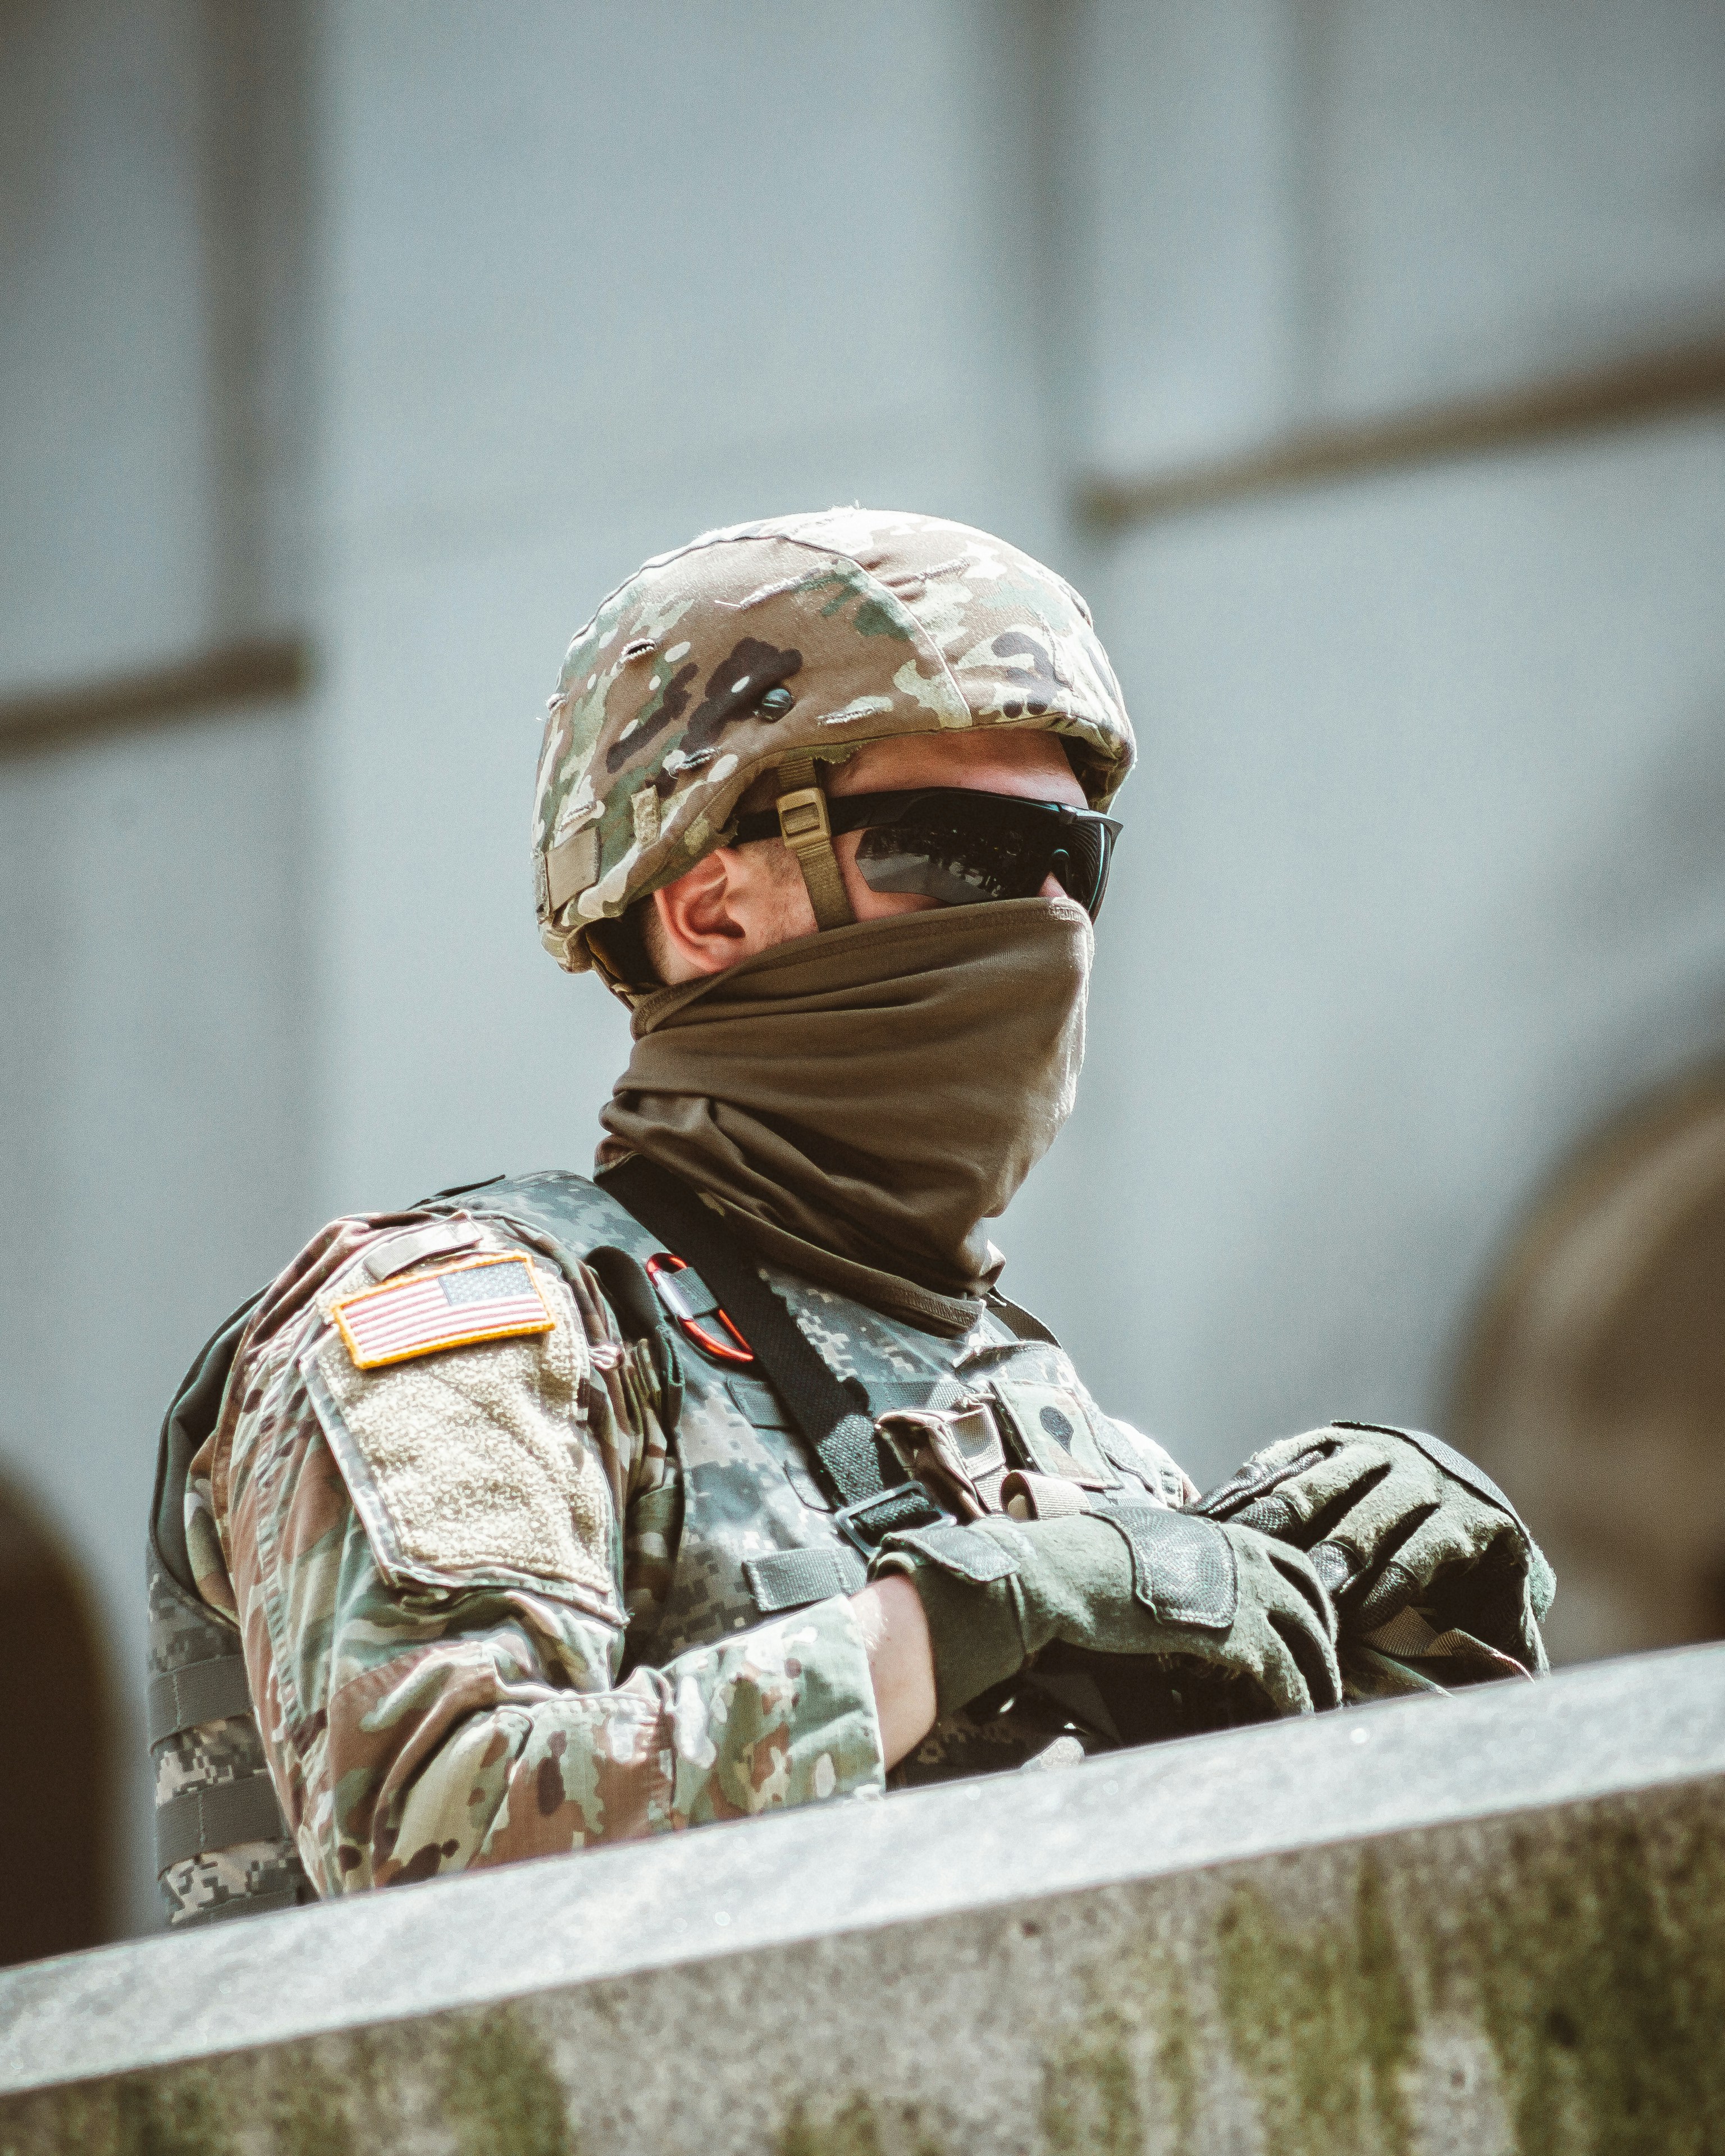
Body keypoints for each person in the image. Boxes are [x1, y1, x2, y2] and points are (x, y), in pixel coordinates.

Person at [147, 509, 1553, 1921]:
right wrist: (951, 1623)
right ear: (707, 911)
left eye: (1079, 858)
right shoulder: (481, 1323)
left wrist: (1409, 1661)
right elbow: (436, 1832)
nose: (1049, 920)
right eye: (960, 852)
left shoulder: (1069, 1436)